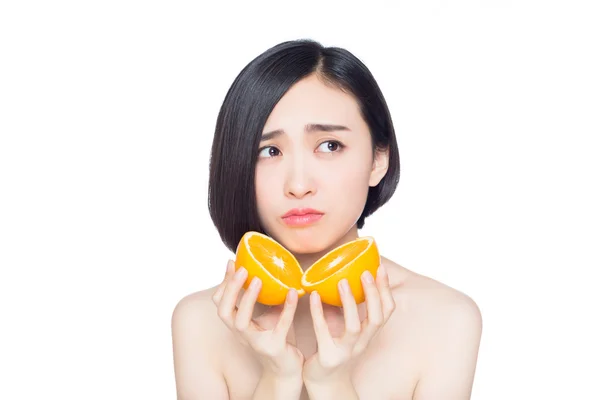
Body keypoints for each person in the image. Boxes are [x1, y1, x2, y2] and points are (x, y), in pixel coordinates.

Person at [171, 38, 482, 400]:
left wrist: (331, 384)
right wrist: (277, 380)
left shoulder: (446, 320)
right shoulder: (200, 322)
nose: (299, 185)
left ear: (378, 160)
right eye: (268, 151)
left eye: (329, 145)